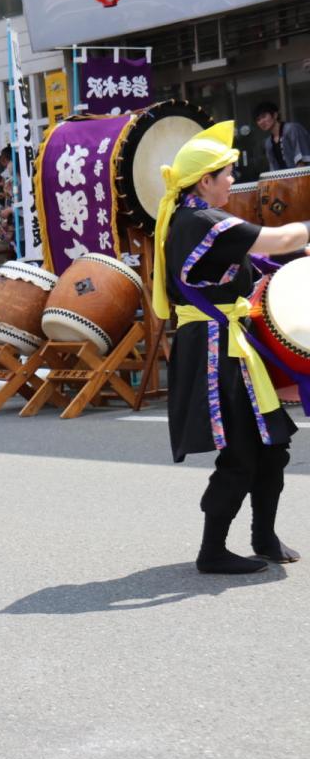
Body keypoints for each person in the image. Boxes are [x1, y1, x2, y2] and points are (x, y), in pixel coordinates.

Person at [153, 120, 310, 574]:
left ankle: (264, 535)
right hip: (216, 350)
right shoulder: (203, 219)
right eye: (225, 173)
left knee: (272, 443)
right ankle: (213, 550)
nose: (230, 181)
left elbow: (257, 257)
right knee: (241, 452)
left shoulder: (190, 217)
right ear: (204, 181)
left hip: (229, 344)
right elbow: (277, 238)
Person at [254, 102, 310, 172]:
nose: (261, 122)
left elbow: (302, 159)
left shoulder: (292, 129)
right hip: (284, 180)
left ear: (275, 115)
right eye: (258, 120)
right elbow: (273, 168)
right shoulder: (268, 143)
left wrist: (298, 180)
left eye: (264, 116)